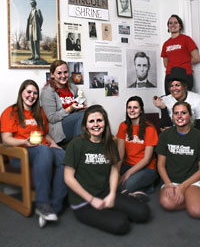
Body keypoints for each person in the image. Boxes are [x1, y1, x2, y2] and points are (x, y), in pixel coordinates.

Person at [63, 105, 150, 235]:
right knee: (121, 224)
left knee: (143, 213)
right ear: (85, 125)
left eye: (99, 120)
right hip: (83, 202)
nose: (96, 124)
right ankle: (125, 200)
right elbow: (68, 178)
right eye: (91, 121)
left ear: (105, 122)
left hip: (104, 193)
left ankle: (123, 199)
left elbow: (114, 170)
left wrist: (112, 195)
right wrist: (92, 200)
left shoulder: (108, 142)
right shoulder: (77, 144)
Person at [0, 80, 67, 222]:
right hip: (21, 154)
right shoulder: (11, 112)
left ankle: (54, 206)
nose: (32, 95)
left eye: (35, 93)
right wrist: (24, 142)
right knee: (43, 150)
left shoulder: (40, 112)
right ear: (22, 93)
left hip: (43, 150)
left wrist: (54, 144)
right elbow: (6, 139)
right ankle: (42, 204)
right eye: (28, 92)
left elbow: (45, 134)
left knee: (64, 157)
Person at [156, 101, 200, 218]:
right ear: (173, 116)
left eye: (183, 113)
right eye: (176, 113)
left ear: (190, 116)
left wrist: (183, 187)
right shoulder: (165, 135)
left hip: (191, 181)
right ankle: (191, 200)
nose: (179, 116)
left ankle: (193, 201)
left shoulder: (198, 136)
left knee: (196, 211)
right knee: (166, 203)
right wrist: (169, 184)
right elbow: (160, 165)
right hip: (172, 181)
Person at [117, 96, 158, 198]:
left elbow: (147, 159)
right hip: (128, 165)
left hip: (147, 168)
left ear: (141, 110)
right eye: (129, 107)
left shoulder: (150, 129)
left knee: (126, 186)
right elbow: (120, 154)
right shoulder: (123, 126)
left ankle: (149, 186)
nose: (132, 110)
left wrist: (127, 174)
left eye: (135, 107)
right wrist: (117, 171)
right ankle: (138, 188)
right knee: (110, 182)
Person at [41, 60, 86, 145]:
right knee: (84, 115)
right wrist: (70, 108)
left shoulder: (73, 87)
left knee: (93, 111)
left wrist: (81, 107)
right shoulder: (47, 92)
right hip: (59, 130)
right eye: (59, 73)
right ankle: (77, 147)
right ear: (52, 74)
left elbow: (78, 106)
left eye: (65, 72)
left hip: (75, 123)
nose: (63, 76)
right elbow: (52, 118)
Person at [161, 14, 200, 95]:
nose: (173, 25)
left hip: (184, 75)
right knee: (169, 102)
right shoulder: (166, 44)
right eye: (170, 23)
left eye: (176, 22)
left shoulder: (186, 39)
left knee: (183, 103)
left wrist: (181, 63)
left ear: (180, 26)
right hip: (170, 76)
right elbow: (165, 63)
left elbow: (196, 58)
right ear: (168, 26)